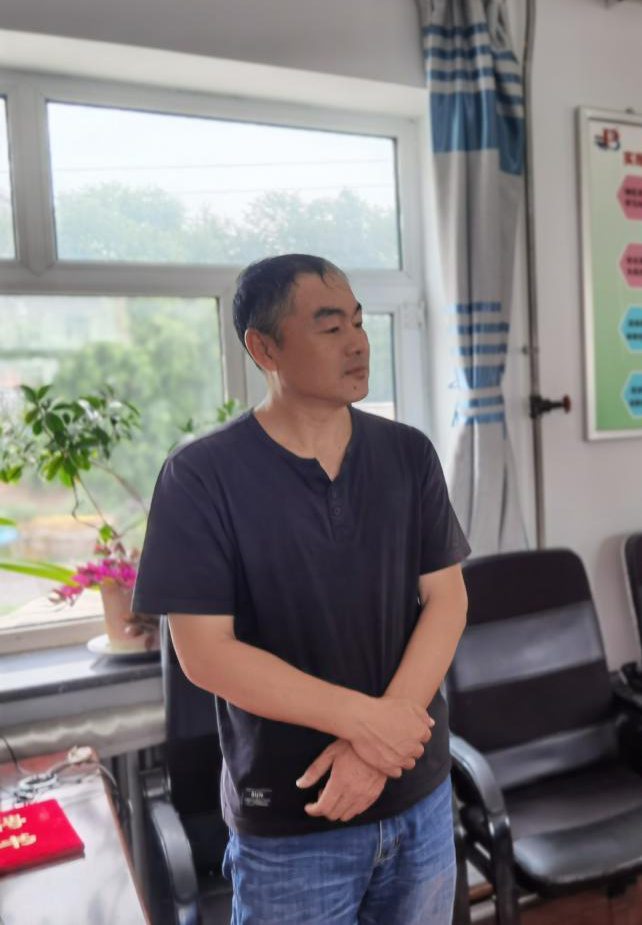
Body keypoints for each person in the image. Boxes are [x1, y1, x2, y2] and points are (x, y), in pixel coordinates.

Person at [133, 254, 470, 924]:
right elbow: (207, 655)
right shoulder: (201, 477)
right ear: (264, 349)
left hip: (419, 801)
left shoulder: (408, 454)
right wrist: (366, 724)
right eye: (330, 327)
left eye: (359, 323)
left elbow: (447, 599)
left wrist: (377, 747)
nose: (357, 343)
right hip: (292, 828)